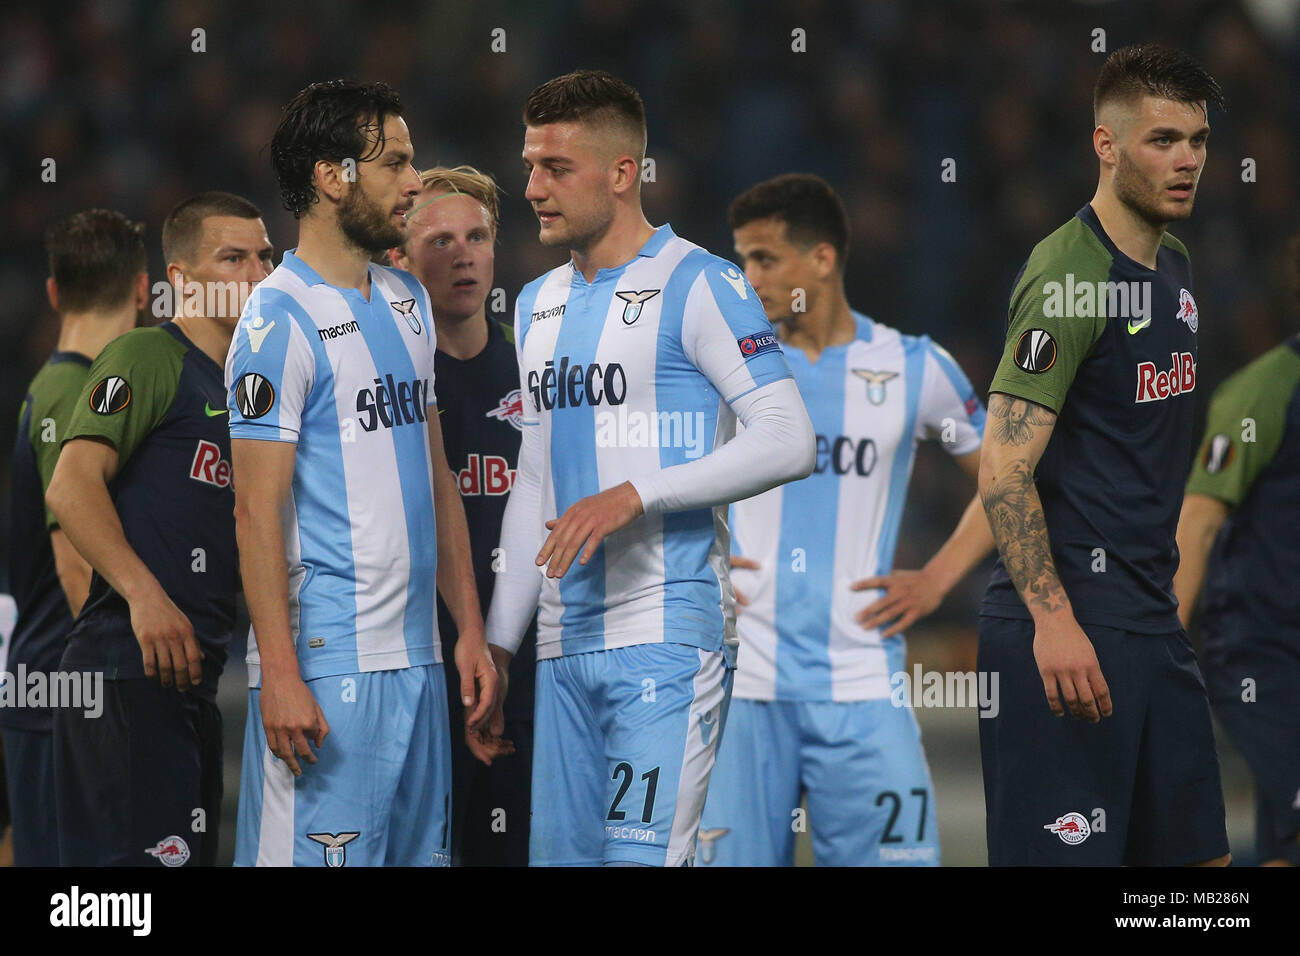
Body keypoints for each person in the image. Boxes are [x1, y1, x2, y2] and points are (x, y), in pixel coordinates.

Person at [483, 69, 815, 867]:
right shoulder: (534, 304)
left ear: (624, 172)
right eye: (530, 166)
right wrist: (500, 646)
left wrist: (636, 495)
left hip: (666, 633)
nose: (533, 188)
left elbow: (788, 436)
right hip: (562, 646)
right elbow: (536, 477)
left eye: (556, 168)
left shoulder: (702, 283)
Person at [228, 80, 496, 867]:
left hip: (414, 661)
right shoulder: (277, 320)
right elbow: (254, 510)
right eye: (397, 163)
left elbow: (437, 475)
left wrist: (470, 627)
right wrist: (278, 672)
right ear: (332, 176)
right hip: (325, 667)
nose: (415, 182)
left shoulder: (408, 302)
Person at [976, 43, 1230, 866]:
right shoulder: (1068, 280)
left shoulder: (1177, 268)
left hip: (1151, 626)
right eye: (1162, 139)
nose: (1186, 158)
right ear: (1106, 145)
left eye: (1196, 139)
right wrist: (1054, 622)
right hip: (1068, 629)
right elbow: (1003, 468)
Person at [697, 173, 991, 866]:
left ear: (823, 259)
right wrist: (694, 560)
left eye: (765, 259)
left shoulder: (915, 366)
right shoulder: (721, 366)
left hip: (861, 685)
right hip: (741, 687)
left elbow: (1006, 483)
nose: (748, 277)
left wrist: (936, 579)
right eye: (740, 259)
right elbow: (653, 474)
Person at [46, 193, 273, 866]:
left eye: (265, 256)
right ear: (180, 281)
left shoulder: (252, 387)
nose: (257, 274)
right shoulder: (149, 354)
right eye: (232, 258)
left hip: (190, 679)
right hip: (124, 668)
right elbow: (72, 484)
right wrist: (143, 595)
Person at [388, 165, 537, 866]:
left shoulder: (537, 370)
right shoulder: (382, 381)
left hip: (523, 671)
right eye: (440, 239)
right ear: (400, 256)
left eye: (477, 236)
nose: (463, 253)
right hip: (414, 666)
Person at [1, 209, 145, 865]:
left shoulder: (62, 384)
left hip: (52, 690)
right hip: (68, 691)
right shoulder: (74, 390)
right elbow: (73, 563)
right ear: (143, 289)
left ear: (55, 291)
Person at [1174, 317, 1300, 867]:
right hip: (1262, 650)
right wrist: (1155, 642)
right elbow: (1199, 520)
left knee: (1285, 835)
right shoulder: (1265, 389)